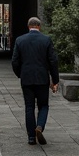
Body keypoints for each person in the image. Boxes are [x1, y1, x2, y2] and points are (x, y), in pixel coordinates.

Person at [11, 16, 59, 145]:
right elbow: (53, 61)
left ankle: (31, 137)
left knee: (29, 107)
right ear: (39, 26)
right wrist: (55, 80)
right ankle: (40, 126)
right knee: (43, 105)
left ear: (28, 26)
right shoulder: (46, 40)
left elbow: (15, 61)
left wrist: (20, 74)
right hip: (42, 79)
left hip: (26, 79)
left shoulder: (20, 40)